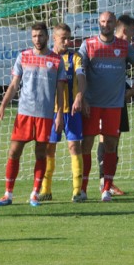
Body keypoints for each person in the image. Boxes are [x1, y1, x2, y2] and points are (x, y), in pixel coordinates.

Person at [0, 22, 66, 207]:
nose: (37, 39)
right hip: (24, 113)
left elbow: (60, 90)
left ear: (47, 37)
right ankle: (8, 194)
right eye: (34, 36)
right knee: (14, 152)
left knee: (41, 154)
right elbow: (14, 85)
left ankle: (34, 194)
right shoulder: (23, 56)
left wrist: (59, 115)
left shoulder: (57, 60)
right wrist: (2, 107)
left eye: (40, 35)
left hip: (45, 115)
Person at [78, 11, 134, 202]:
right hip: (91, 104)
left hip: (114, 105)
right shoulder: (88, 44)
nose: (105, 24)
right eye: (103, 21)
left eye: (109, 22)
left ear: (115, 25)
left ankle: (106, 188)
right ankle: (82, 188)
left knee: (110, 145)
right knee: (86, 145)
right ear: (98, 23)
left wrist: (133, 90)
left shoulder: (124, 46)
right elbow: (79, 69)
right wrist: (81, 96)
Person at [34, 23, 87, 203]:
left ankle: (77, 191)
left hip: (71, 111)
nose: (67, 41)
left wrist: (80, 96)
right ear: (54, 38)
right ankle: (46, 190)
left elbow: (81, 77)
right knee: (48, 149)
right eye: (63, 38)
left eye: (68, 38)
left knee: (74, 147)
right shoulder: (47, 58)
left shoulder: (75, 58)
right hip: (50, 112)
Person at [96, 14, 134, 196]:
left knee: (114, 141)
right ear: (124, 30)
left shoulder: (124, 48)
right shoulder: (105, 45)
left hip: (118, 102)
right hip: (102, 102)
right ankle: (103, 181)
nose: (133, 37)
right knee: (104, 140)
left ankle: (108, 181)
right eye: (132, 33)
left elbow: (124, 75)